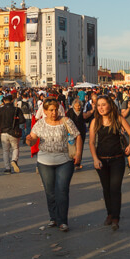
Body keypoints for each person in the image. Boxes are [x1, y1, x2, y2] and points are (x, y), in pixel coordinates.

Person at [26, 98, 82, 232]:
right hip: (45, 162)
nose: (54, 112)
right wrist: (29, 140)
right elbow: (33, 138)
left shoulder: (66, 121)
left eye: (56, 109)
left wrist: (78, 153)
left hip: (64, 160)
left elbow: (77, 136)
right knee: (50, 192)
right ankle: (53, 218)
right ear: (44, 111)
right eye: (51, 110)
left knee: (62, 190)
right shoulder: (40, 124)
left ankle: (63, 221)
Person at [89, 96, 130, 230]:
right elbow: (91, 142)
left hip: (117, 159)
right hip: (101, 160)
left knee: (115, 188)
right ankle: (109, 213)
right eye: (98, 105)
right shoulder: (95, 122)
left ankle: (116, 217)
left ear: (110, 105)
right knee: (106, 189)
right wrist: (95, 159)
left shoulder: (118, 119)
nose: (101, 108)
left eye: (104, 105)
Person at [0, 94, 23, 174]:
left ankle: (7, 168)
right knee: (15, 148)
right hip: (14, 132)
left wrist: (0, 126)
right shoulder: (16, 109)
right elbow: (22, 120)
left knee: (5, 151)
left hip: (3, 132)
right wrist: (16, 121)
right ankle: (14, 160)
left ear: (3, 101)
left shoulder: (0, 110)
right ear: (12, 101)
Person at [68, 99, 88, 170]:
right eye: (76, 106)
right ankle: (71, 162)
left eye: (79, 106)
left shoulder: (83, 111)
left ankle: (78, 163)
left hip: (81, 130)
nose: (78, 107)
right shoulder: (70, 111)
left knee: (80, 147)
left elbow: (86, 119)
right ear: (73, 106)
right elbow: (67, 119)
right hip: (72, 131)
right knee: (72, 146)